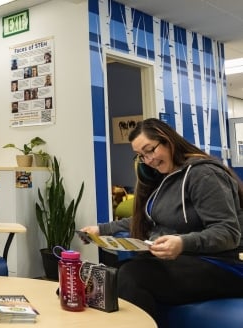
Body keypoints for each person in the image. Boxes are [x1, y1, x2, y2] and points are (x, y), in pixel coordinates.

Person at [81, 118, 243, 324]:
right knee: (119, 271)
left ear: (167, 141)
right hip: (190, 260)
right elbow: (147, 220)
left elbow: (227, 232)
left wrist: (182, 242)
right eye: (141, 155)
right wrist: (101, 229)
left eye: (150, 150)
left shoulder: (204, 174)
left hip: (224, 264)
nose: (148, 160)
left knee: (133, 277)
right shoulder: (165, 179)